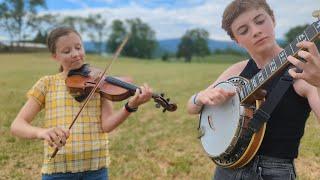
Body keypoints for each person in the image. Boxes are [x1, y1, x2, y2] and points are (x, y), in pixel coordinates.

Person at [187, 0, 320, 179]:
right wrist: (200, 97)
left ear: (272, 19)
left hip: (274, 172)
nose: (256, 31)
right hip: (226, 171)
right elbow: (191, 107)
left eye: (259, 21)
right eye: (243, 30)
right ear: (236, 41)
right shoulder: (237, 70)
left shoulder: (304, 73)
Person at [10, 27, 153, 180]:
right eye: (66, 51)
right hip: (59, 171)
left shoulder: (99, 82)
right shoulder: (46, 84)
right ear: (55, 56)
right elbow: (17, 125)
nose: (76, 54)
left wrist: (131, 106)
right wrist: (42, 133)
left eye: (78, 47)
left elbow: (107, 125)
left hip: (96, 169)